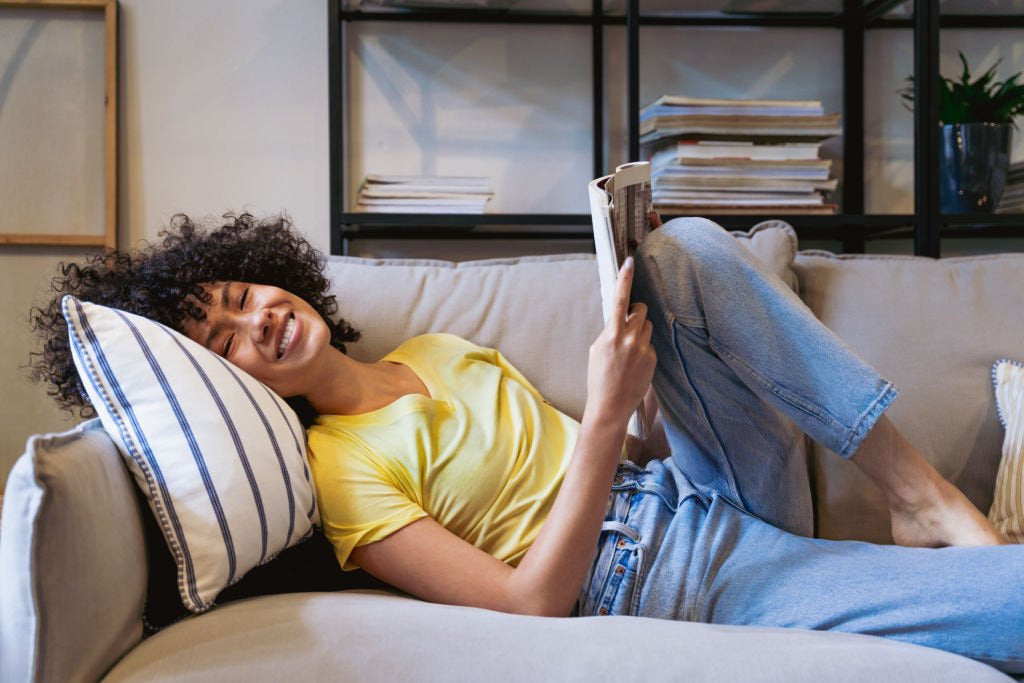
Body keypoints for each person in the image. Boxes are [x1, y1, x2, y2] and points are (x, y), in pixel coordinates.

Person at [30, 212, 1023, 673]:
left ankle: (916, 494)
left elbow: (609, 450)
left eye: (245, 297)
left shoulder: (434, 345)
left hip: (694, 488)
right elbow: (530, 600)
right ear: (225, 380)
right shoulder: (339, 472)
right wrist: (600, 417)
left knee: (687, 250)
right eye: (224, 341)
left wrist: (633, 385)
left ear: (272, 274)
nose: (257, 323)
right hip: (654, 574)